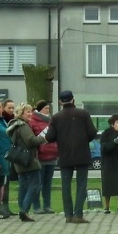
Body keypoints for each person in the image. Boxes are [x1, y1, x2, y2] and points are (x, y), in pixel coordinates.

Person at [45, 90, 98, 223]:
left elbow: (49, 137)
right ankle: (78, 214)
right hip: (82, 154)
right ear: (73, 100)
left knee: (66, 185)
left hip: (65, 154)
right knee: (81, 185)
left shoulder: (56, 117)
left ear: (60, 102)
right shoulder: (83, 114)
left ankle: (68, 215)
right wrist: (84, 139)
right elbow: (92, 132)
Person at [6, 103, 48, 222]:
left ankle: (22, 209)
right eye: (28, 112)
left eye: (31, 111)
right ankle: (24, 210)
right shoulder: (23, 126)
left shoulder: (14, 125)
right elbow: (30, 141)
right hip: (29, 160)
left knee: (23, 186)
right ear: (21, 113)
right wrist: (44, 137)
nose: (31, 114)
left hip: (19, 160)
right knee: (35, 185)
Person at [29, 100, 57, 214]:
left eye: (48, 108)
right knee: (37, 183)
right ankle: (36, 206)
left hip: (52, 156)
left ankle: (47, 205)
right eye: (46, 108)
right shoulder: (33, 121)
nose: (48, 110)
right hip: (40, 157)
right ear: (40, 109)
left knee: (47, 183)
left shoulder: (52, 121)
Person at [99, 114, 118, 213]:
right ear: (112, 124)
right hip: (109, 163)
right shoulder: (106, 134)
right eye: (117, 122)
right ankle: (107, 206)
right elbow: (104, 148)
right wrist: (114, 143)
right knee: (108, 185)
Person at [0, 99, 17, 216]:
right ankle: (0, 206)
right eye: (9, 108)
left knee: (7, 181)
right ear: (4, 108)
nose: (11, 110)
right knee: (2, 182)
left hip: (10, 153)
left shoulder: (13, 120)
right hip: (3, 153)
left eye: (12, 108)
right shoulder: (3, 120)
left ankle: (6, 206)